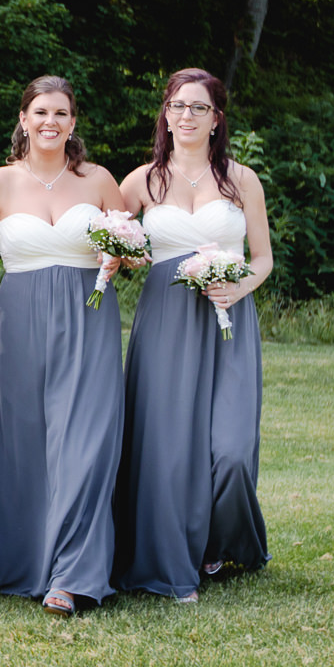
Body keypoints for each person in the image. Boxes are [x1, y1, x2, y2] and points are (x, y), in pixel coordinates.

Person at [0, 76, 127, 617]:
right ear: (23, 119)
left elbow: (126, 241)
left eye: (61, 113)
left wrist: (120, 256)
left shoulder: (98, 180)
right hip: (19, 322)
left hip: (88, 317)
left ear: (73, 123)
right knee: (20, 441)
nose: (50, 122)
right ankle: (13, 557)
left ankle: (73, 575)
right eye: (40, 112)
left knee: (85, 443)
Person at [112, 67, 275, 602]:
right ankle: (172, 552)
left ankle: (224, 539)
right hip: (164, 321)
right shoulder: (141, 181)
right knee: (167, 448)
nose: (186, 116)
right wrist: (119, 258)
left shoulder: (242, 180)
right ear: (166, 113)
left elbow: (264, 260)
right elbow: (114, 246)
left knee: (229, 451)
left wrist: (239, 288)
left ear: (216, 119)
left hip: (228, 320)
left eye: (198, 107)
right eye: (178, 106)